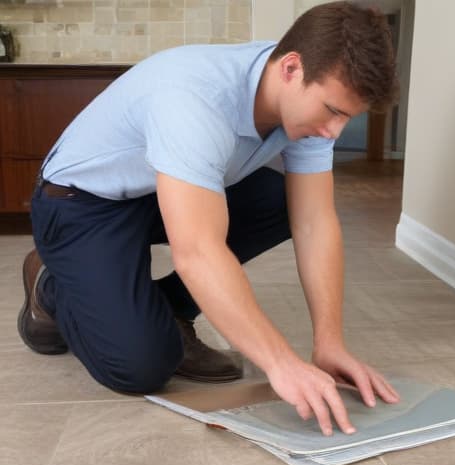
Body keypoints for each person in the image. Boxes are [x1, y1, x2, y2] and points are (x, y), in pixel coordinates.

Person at [18, 1, 400, 436]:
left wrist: (328, 342)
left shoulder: (303, 104)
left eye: (347, 118)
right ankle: (52, 283)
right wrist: (281, 364)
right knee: (141, 365)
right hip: (82, 205)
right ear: (292, 68)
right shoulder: (193, 99)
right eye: (333, 111)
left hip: (158, 189)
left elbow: (314, 222)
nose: (334, 131)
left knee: (286, 200)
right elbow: (198, 251)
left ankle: (168, 308)